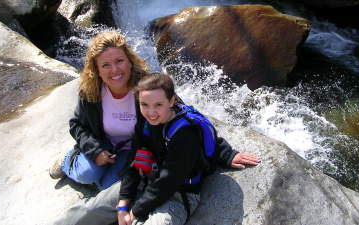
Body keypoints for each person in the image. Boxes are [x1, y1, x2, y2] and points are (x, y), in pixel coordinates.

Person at [116, 73, 261, 225]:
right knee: (91, 211)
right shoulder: (144, 123)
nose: (151, 112)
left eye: (158, 105)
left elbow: (168, 181)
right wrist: (123, 205)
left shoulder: (184, 134)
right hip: (147, 180)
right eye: (144, 104)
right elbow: (133, 160)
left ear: (172, 100)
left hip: (178, 194)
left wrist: (134, 212)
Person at [49, 31, 148, 191]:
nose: (115, 70)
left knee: (108, 187)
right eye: (106, 65)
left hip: (132, 149)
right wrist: (95, 151)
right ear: (97, 71)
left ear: (130, 61)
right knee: (87, 174)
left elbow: (173, 111)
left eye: (119, 61)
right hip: (102, 143)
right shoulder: (91, 91)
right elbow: (76, 125)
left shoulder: (148, 85)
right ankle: (67, 161)